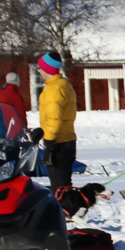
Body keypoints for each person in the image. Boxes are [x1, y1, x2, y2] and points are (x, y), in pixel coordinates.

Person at [37, 52, 78, 192]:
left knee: (59, 187)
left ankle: (63, 212)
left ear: (47, 69)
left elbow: (54, 118)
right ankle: (67, 211)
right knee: (64, 184)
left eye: (40, 68)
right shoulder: (64, 84)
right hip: (68, 140)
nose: (39, 71)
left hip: (58, 143)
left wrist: (48, 142)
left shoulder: (53, 89)